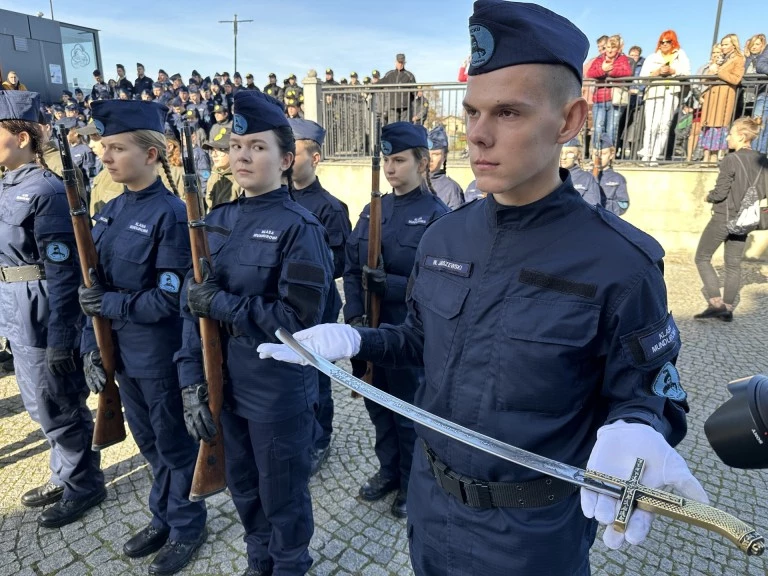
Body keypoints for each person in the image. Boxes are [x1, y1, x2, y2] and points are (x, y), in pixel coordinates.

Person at [258, 3, 707, 575]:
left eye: (509, 113)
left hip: (532, 538)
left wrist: (639, 427)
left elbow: (654, 391)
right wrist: (353, 339)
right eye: (471, 113)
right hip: (432, 504)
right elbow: (419, 340)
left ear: (568, 122)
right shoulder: (446, 237)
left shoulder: (621, 261)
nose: (478, 135)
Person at [176, 90, 334, 576]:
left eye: (258, 146)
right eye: (236, 145)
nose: (242, 154)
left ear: (287, 160)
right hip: (223, 383)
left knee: (281, 492)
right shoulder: (215, 221)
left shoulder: (300, 227)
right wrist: (190, 382)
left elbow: (299, 323)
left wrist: (223, 303)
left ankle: (289, 565)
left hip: (276, 390)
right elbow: (191, 310)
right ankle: (257, 560)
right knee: (242, 484)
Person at [77, 99, 207, 575]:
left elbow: (168, 299)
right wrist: (91, 344)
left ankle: (189, 524)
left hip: (157, 356)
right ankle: (165, 514)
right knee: (148, 443)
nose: (105, 157)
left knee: (173, 445)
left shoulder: (171, 214)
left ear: (152, 155)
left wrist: (108, 306)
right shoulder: (109, 209)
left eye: (116, 148)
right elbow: (92, 286)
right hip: (122, 357)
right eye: (103, 148)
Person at [0, 90, 106, 527]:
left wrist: (65, 337)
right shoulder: (7, 184)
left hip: (42, 306)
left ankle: (83, 484)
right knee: (36, 400)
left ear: (22, 137)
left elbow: (65, 273)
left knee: (58, 399)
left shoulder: (44, 189)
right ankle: (64, 471)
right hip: (13, 303)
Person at [342, 122, 449, 520]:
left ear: (423, 162)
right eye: (387, 159)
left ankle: (410, 482)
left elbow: (443, 285)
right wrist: (354, 315)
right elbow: (353, 269)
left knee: (407, 414)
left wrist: (395, 286)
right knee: (376, 407)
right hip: (370, 330)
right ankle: (389, 470)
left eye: (399, 159)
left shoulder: (437, 216)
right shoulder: (374, 209)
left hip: (410, 336)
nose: (390, 167)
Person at [289, 118, 351, 476]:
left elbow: (340, 263)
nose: (288, 158)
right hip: (284, 308)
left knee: (316, 375)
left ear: (314, 158)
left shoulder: (330, 207)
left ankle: (319, 439)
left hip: (317, 307)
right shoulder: (277, 197)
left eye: (295, 151)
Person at [694, 117, 768, 322]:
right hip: (746, 221)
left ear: (742, 137)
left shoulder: (730, 160)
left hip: (723, 218)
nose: (727, 137)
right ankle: (727, 308)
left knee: (702, 257)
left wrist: (708, 196)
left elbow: (720, 193)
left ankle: (716, 303)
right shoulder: (764, 162)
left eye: (731, 134)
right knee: (733, 264)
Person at [639, 31, 691, 163]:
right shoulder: (652, 58)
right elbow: (641, 79)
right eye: (662, 42)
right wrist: (656, 73)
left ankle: (656, 156)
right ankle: (647, 154)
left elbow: (686, 72)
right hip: (653, 94)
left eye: (668, 41)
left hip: (671, 93)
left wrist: (673, 71)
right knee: (651, 125)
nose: (664, 44)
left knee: (664, 125)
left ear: (673, 42)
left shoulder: (680, 55)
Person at [699, 34, 745, 163]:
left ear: (733, 44)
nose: (723, 47)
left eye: (726, 44)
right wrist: (711, 70)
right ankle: (705, 156)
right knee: (707, 127)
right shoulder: (720, 59)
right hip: (711, 96)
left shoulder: (738, 59)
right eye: (722, 44)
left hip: (723, 97)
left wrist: (719, 71)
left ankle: (713, 158)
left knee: (718, 127)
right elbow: (704, 80)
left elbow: (736, 79)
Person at [586, 34, 633, 147]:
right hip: (599, 99)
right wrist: (602, 70)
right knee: (598, 128)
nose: (610, 50)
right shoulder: (599, 59)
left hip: (615, 100)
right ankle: (597, 154)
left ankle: (608, 156)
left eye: (613, 47)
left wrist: (610, 72)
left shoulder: (622, 59)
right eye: (608, 47)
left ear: (617, 48)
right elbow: (590, 73)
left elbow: (626, 72)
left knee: (612, 129)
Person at [203, 126, 241, 210]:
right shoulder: (214, 175)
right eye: (212, 150)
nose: (214, 155)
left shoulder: (242, 180)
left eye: (220, 150)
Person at [427, 125, 464, 209]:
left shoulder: (451, 189)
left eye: (436, 154)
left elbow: (455, 220)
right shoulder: (410, 184)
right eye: (426, 153)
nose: (430, 159)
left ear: (444, 156)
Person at [595, 134, 630, 216]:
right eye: (596, 154)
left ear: (611, 155)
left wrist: (606, 209)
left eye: (603, 154)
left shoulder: (618, 178)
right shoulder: (586, 177)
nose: (599, 157)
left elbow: (623, 204)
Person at [560, 138, 600, 206]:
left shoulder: (587, 179)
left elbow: (592, 207)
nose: (563, 157)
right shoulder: (547, 176)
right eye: (560, 152)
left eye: (569, 153)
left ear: (578, 155)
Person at [745, 34, 768, 154]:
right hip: (764, 94)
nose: (754, 47)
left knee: (766, 128)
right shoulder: (766, 52)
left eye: (757, 44)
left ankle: (762, 158)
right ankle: (754, 156)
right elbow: (761, 65)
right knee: (759, 125)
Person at [380, 54, 417, 124]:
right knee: (393, 127)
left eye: (402, 63)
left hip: (405, 107)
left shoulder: (409, 75)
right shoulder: (389, 74)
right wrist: (369, 87)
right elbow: (380, 83)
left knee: (404, 127)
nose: (400, 64)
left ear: (404, 63)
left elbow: (414, 91)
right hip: (392, 106)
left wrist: (409, 101)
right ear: (395, 62)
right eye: (399, 62)